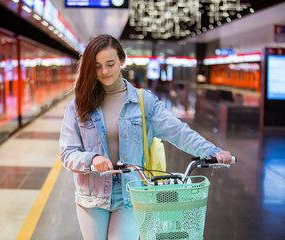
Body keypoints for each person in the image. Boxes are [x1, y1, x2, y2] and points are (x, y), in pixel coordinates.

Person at [59, 34, 232, 240]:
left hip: (131, 195)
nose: (104, 71)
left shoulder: (144, 103)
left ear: (122, 61)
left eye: (110, 64)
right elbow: (67, 153)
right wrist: (92, 160)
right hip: (91, 197)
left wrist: (211, 151)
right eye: (96, 66)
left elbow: (179, 132)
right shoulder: (79, 105)